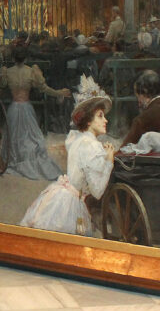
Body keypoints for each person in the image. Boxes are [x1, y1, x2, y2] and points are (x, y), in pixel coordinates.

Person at [19, 79, 115, 235]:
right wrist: (109, 161)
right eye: (100, 116)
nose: (106, 120)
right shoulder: (92, 145)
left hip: (60, 196)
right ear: (89, 120)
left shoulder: (77, 139)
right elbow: (97, 191)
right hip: (69, 203)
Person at [0, 47, 71, 180]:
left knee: (15, 137)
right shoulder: (31, 72)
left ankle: (17, 158)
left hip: (14, 109)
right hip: (27, 108)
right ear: (26, 58)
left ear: (13, 59)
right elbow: (44, 89)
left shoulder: (7, 72)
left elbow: (1, 86)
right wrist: (59, 92)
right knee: (31, 138)